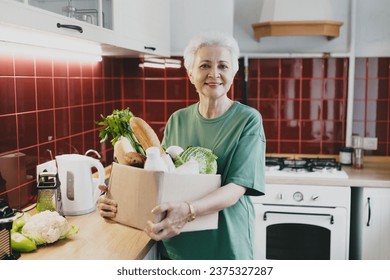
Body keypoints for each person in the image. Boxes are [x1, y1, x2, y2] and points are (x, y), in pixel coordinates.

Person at [97, 32, 266, 260]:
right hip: (178, 243)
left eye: (223, 66)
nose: (214, 74)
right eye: (205, 65)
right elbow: (161, 178)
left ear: (233, 72)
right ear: (190, 73)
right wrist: (117, 197)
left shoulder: (248, 120)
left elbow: (237, 188)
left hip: (225, 245)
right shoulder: (178, 119)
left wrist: (189, 210)